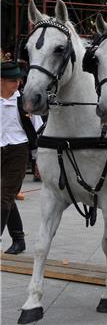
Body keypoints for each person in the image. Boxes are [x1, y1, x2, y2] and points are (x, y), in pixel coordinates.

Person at [1, 62, 41, 255]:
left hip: (18, 152)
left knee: (4, 197)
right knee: (7, 198)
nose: (17, 83)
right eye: (12, 80)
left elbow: (38, 131)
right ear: (0, 81)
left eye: (19, 80)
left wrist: (38, 159)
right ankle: (19, 239)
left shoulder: (24, 102)